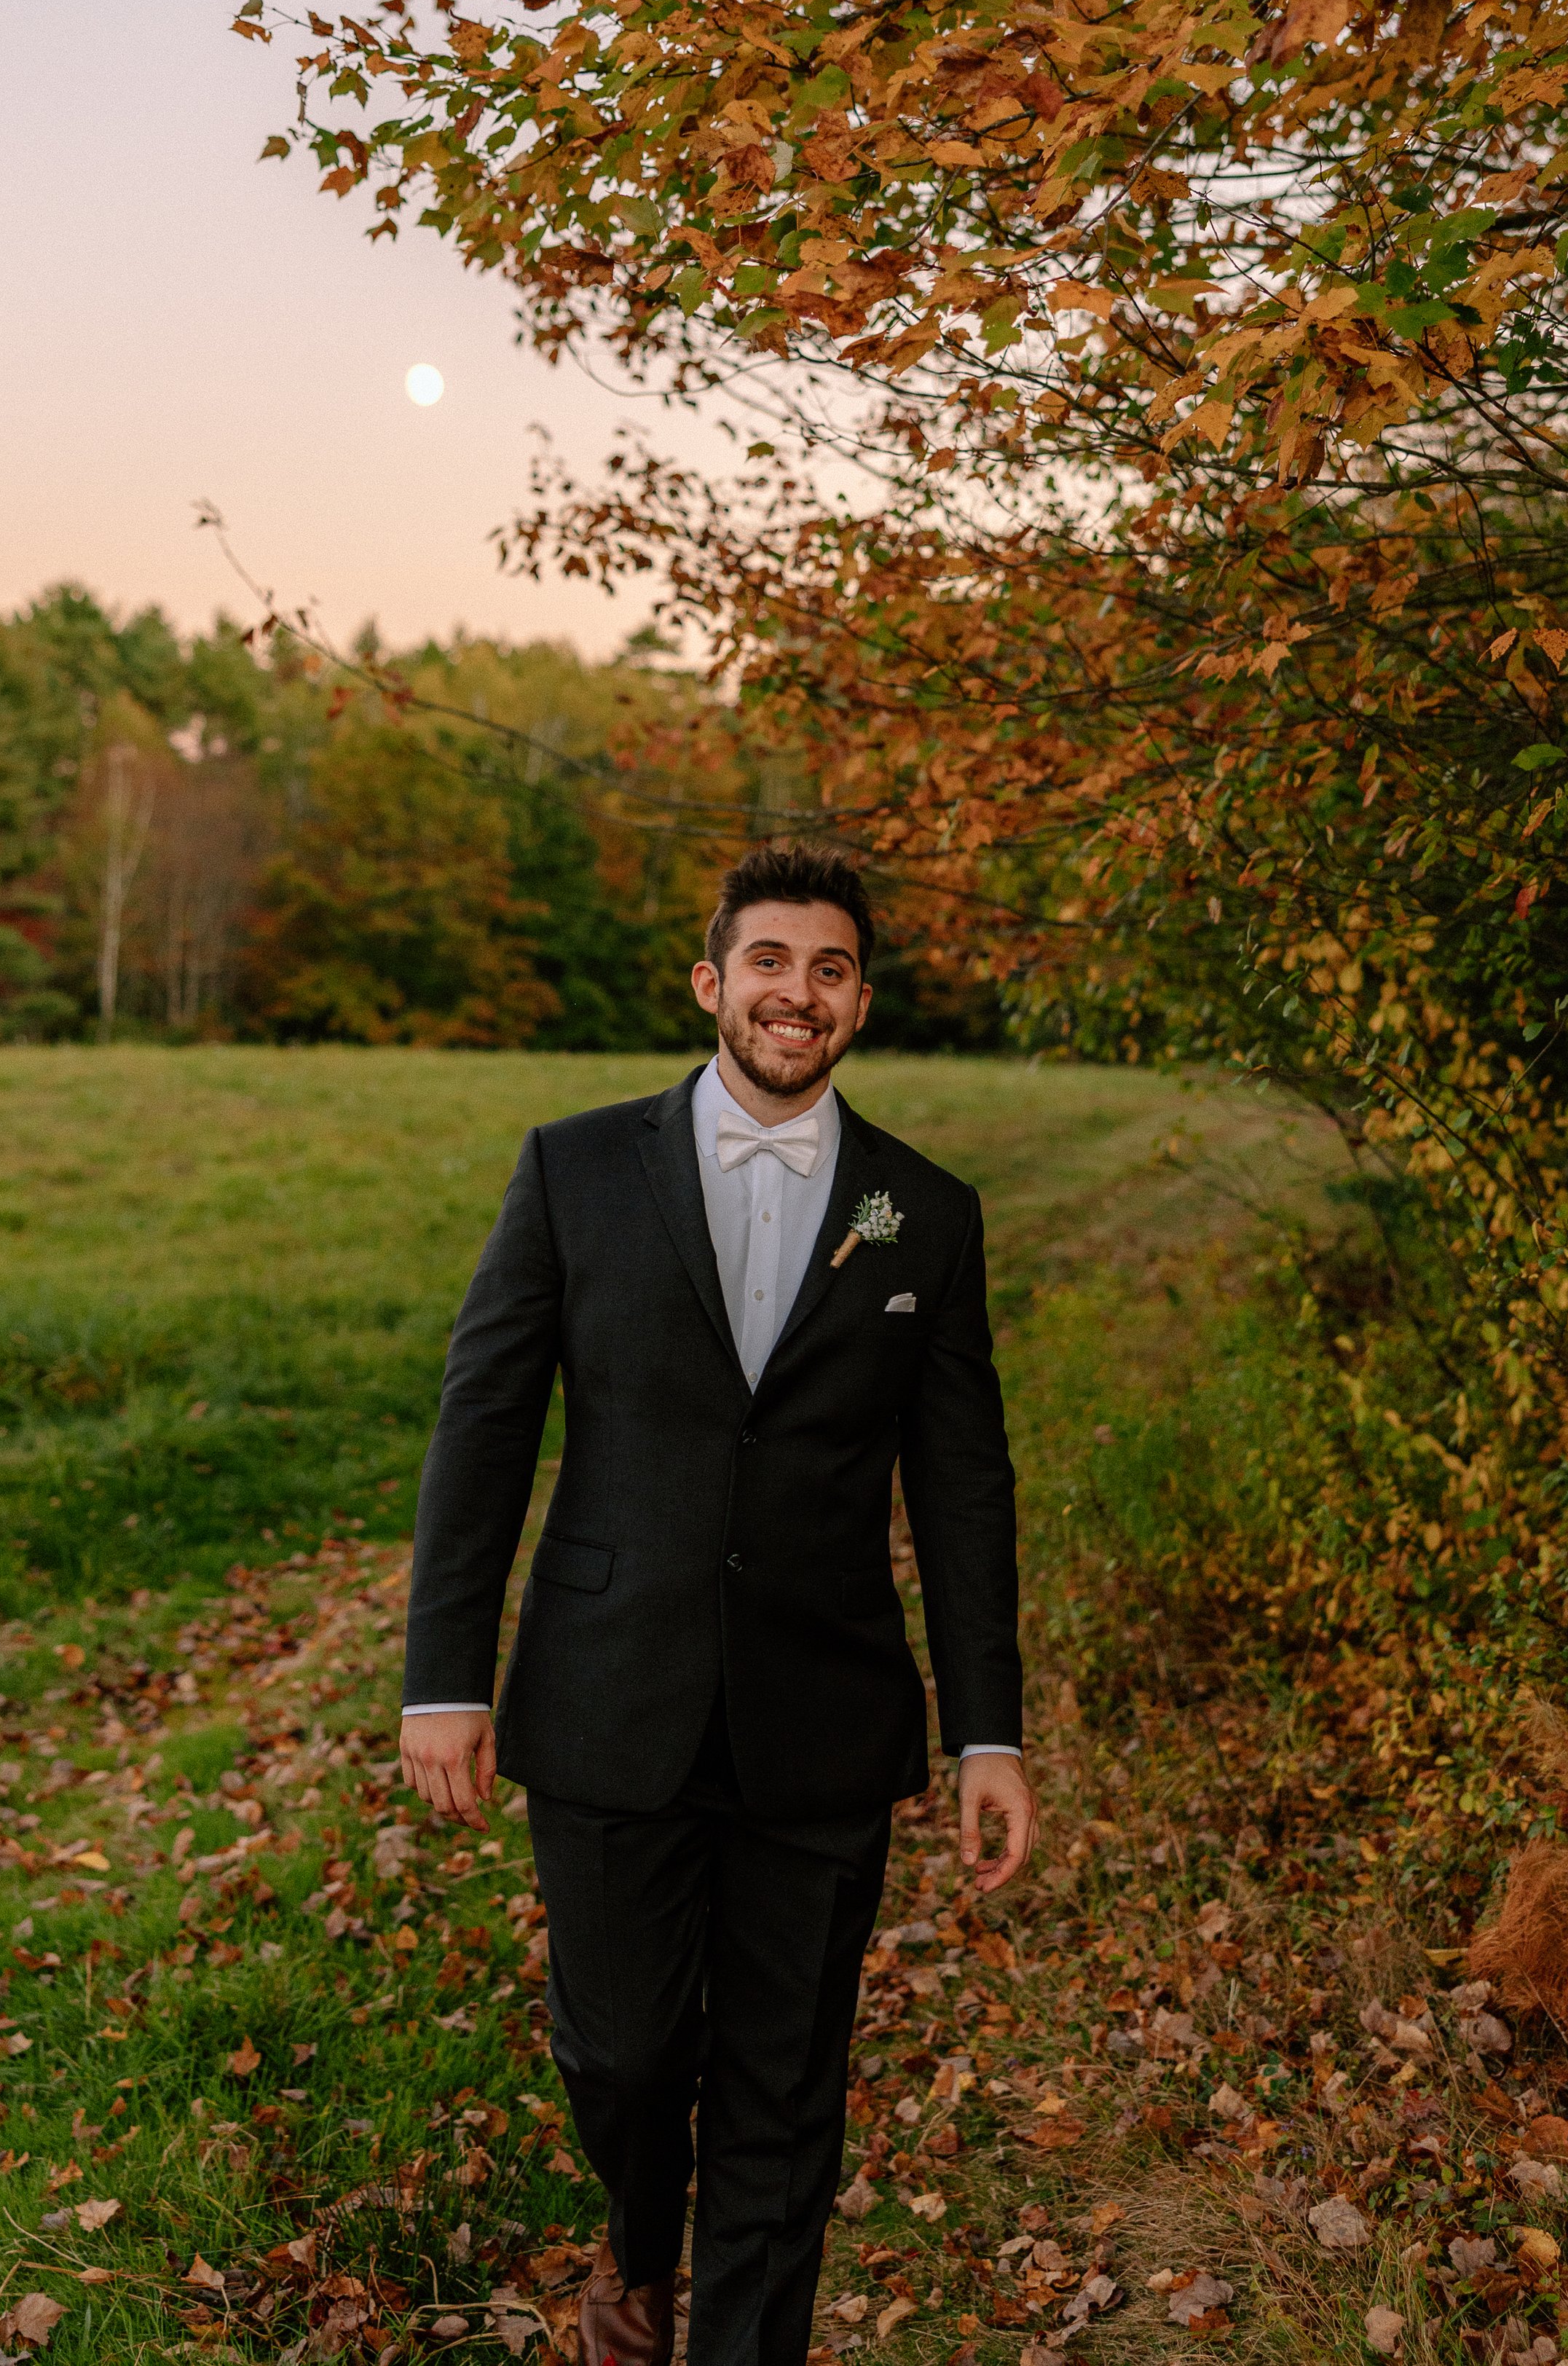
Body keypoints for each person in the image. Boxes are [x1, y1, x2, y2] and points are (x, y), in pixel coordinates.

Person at [401, 844, 1033, 2366]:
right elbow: (483, 1422)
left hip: (819, 1718)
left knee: (781, 2086)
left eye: (825, 970)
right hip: (610, 1692)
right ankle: (635, 2236)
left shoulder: (922, 1216)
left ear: (858, 1002)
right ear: (711, 983)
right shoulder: (573, 1168)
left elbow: (960, 1490)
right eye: (766, 962)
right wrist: (443, 1678)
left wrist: (987, 1735)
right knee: (619, 2054)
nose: (793, 994)